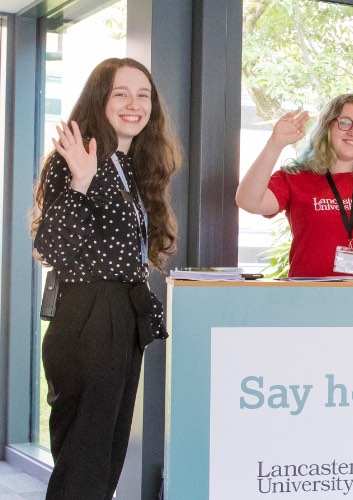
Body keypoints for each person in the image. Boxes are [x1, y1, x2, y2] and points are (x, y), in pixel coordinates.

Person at [31, 57, 182, 499]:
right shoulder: (76, 159)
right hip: (88, 317)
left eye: (143, 95)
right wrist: (81, 180)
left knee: (105, 459)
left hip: (121, 313)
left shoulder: (127, 164)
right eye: (121, 94)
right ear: (100, 99)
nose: (134, 104)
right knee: (85, 461)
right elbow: (51, 249)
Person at [235, 94, 353, 279]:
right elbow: (249, 202)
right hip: (309, 293)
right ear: (327, 127)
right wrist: (275, 144)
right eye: (344, 122)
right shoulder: (295, 177)